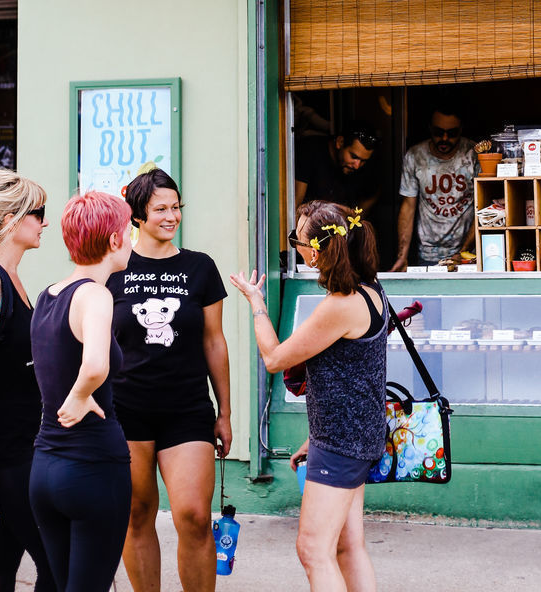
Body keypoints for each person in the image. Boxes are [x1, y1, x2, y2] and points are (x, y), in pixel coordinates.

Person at [231, 200, 387, 592]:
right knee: (349, 547)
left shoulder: (340, 305)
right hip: (355, 436)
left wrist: (256, 304)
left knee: (313, 549)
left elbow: (274, 358)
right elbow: (353, 376)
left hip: (341, 442)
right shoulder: (371, 291)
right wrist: (312, 439)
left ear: (315, 251)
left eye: (296, 241)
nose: (296, 248)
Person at [107, 168, 231, 592]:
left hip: (187, 409)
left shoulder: (200, 268)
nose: (171, 215)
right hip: (125, 411)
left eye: (176, 207)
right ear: (137, 215)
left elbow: (215, 342)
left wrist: (226, 413)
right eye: (161, 208)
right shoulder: (114, 269)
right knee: (136, 513)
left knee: (195, 517)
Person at [29, 190, 134, 592]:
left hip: (45, 471)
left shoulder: (48, 296)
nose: (131, 240)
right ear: (113, 240)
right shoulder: (96, 294)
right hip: (92, 470)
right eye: (128, 231)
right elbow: (94, 364)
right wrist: (79, 394)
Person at [0, 169, 57, 592]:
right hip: (5, 455)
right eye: (38, 212)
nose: (45, 221)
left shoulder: (14, 280)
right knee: (58, 564)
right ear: (10, 220)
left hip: (22, 444)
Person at [391, 106, 478, 270]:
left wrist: (464, 251)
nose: (444, 138)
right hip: (428, 254)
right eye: (438, 132)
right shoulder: (415, 155)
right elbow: (408, 207)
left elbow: (483, 206)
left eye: (452, 133)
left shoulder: (473, 154)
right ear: (430, 128)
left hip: (467, 255)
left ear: (461, 130)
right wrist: (402, 256)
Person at [294, 125, 380, 214]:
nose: (357, 166)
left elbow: (373, 193)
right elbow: (296, 201)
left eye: (363, 161)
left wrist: (355, 218)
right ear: (340, 142)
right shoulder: (309, 150)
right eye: (354, 157)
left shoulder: (362, 169)